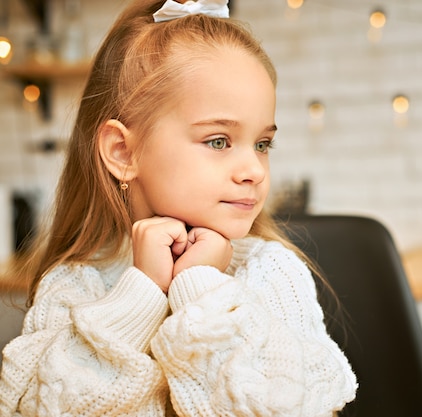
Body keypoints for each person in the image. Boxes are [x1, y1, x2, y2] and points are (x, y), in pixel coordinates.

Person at [0, 0, 357, 415]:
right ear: (122, 152)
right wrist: (141, 294)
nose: (254, 170)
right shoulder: (75, 286)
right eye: (219, 141)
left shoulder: (271, 272)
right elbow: (41, 407)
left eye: (262, 144)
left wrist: (201, 286)